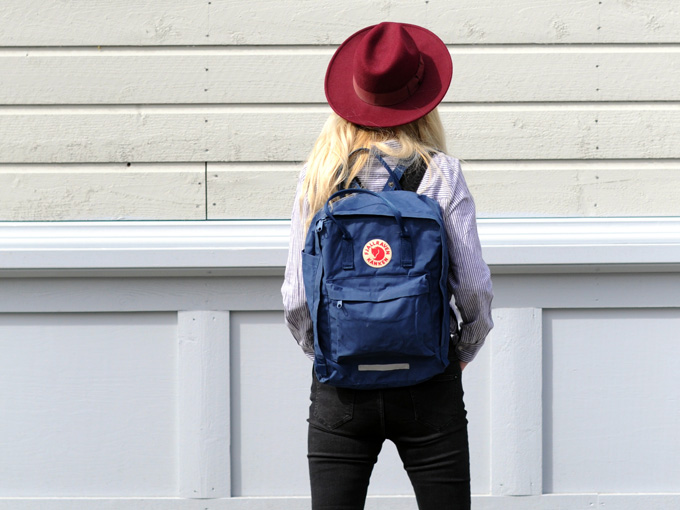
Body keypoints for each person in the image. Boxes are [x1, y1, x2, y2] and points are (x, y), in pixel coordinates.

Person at [281, 22, 493, 510]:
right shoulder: (441, 173)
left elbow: (295, 298)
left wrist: (334, 350)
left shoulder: (318, 177)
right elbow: (475, 290)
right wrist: (461, 349)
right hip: (428, 379)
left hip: (343, 386)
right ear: (423, 100)